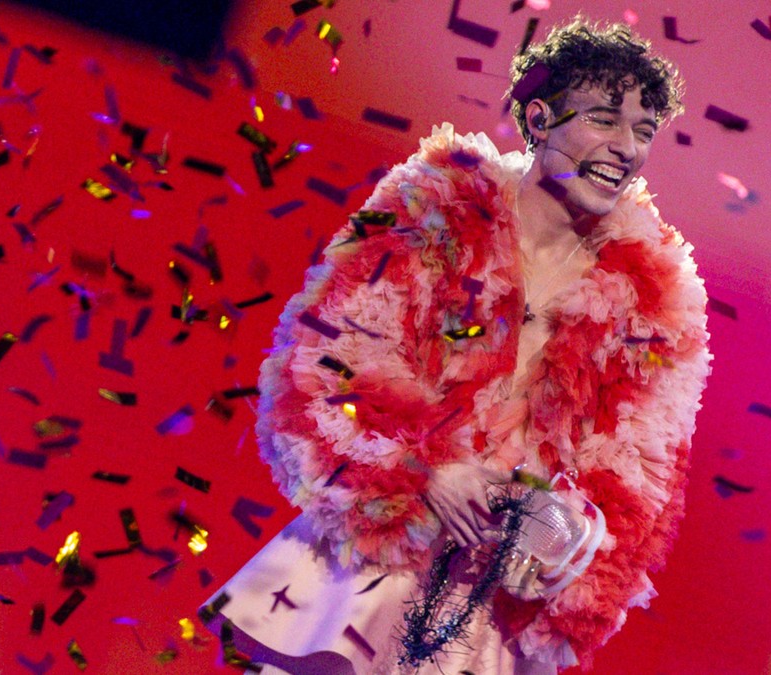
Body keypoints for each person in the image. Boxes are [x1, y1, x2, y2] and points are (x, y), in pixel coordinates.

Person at [201, 16, 712, 674]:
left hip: (486, 612)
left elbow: (639, 482)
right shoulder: (434, 209)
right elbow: (324, 367)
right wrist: (426, 469)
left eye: (643, 131)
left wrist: (564, 536)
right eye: (604, 120)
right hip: (366, 568)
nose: (626, 148)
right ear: (540, 119)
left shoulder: (656, 299)